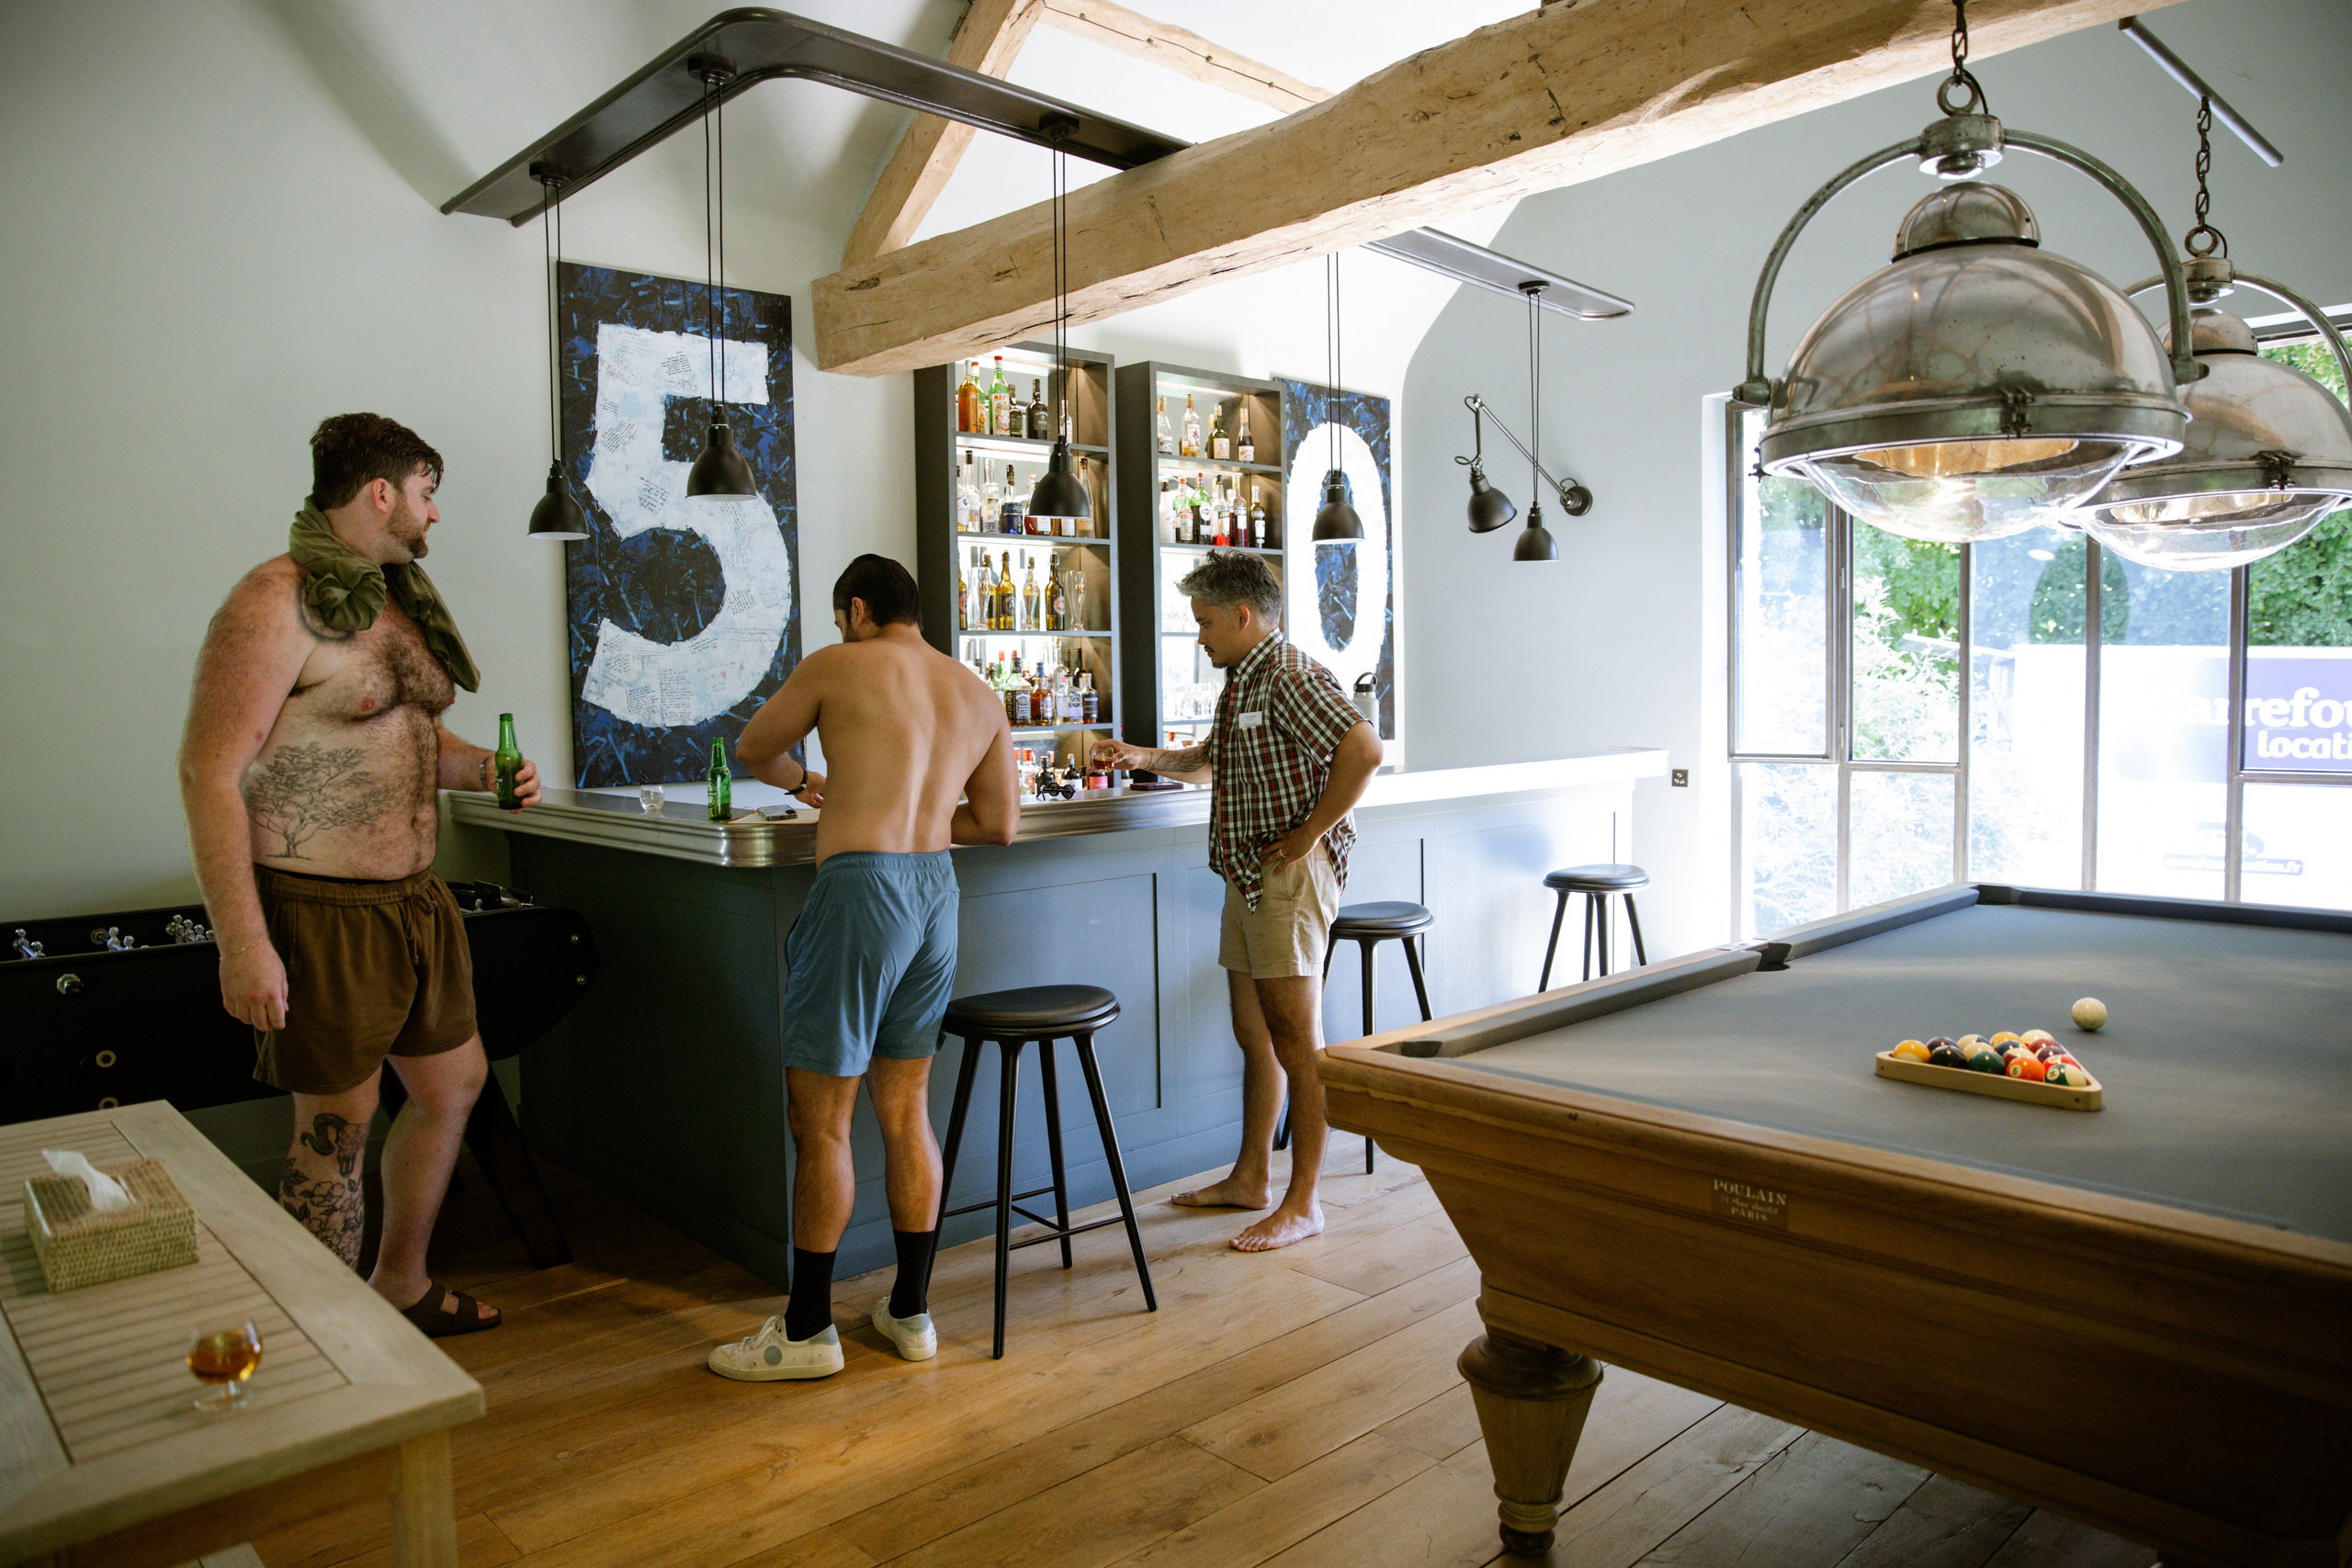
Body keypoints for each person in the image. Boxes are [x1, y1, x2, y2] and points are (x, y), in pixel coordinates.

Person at [177, 412, 537, 1337]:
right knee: (335, 1124)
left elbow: (410, 736)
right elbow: (209, 770)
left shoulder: (396, 601)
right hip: (320, 905)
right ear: (384, 493)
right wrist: (243, 943)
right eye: (428, 492)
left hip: (417, 903)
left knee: (452, 1086)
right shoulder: (272, 601)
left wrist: (485, 770)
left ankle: (399, 1283)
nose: (436, 514)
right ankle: (319, 1341)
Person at [707, 554, 1019, 1382]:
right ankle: (911, 1313)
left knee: (823, 1119)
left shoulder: (837, 664)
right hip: (934, 893)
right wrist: (915, 803)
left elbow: (754, 748)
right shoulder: (975, 690)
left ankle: (807, 1329)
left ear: (855, 609)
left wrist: (823, 784)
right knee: (905, 1107)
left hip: (859, 891)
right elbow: (997, 825)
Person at [1092, 550, 1381, 1251]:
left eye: (1205, 622)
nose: (1199, 636)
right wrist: (1137, 755)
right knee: (1256, 1035)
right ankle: (1251, 1177)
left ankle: (1305, 1201)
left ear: (1243, 616)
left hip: (1287, 880)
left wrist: (1312, 831)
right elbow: (1208, 761)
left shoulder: (1288, 675)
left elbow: (1364, 749)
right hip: (1246, 877)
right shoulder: (1243, 684)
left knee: (1297, 1043)